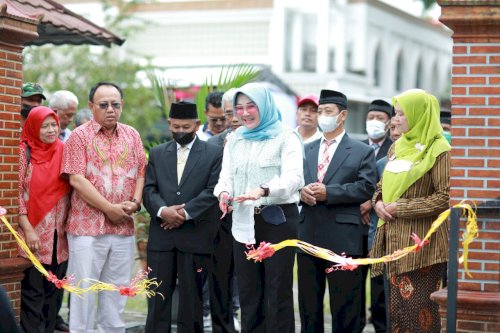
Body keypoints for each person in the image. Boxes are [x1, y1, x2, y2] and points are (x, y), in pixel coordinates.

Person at [214, 82, 304, 333]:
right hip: (243, 222)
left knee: (278, 290)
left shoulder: (287, 137)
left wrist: (263, 189)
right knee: (248, 290)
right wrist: (222, 193)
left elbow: (294, 177)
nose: (244, 113)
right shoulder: (235, 139)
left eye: (251, 106)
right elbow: (226, 177)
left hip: (277, 221)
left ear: (264, 105)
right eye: (239, 108)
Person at [61, 82, 147, 333]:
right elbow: (76, 178)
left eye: (115, 104)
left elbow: (141, 171)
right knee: (84, 292)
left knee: (117, 292)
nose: (110, 109)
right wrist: (109, 208)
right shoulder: (79, 136)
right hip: (87, 229)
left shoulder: (132, 134)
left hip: (122, 228)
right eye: (104, 105)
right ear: (91, 107)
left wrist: (135, 201)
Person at [371, 89, 451, 333]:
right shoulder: (397, 148)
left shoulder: (440, 151)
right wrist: (379, 204)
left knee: (420, 316)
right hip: (392, 244)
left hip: (422, 248)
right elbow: (381, 188)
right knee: (396, 314)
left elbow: (446, 196)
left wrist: (401, 207)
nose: (396, 120)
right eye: (395, 114)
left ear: (419, 115)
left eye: (402, 114)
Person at [298, 89, 377, 333]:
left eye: (327, 112)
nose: (321, 116)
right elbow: (296, 181)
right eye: (319, 111)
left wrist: (329, 193)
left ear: (342, 116)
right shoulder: (307, 149)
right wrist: (302, 192)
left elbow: (366, 187)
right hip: (308, 234)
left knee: (345, 307)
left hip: (343, 237)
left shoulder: (360, 150)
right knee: (309, 306)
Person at [143, 101, 223, 333]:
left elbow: (213, 190)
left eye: (185, 127)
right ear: (169, 124)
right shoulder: (158, 153)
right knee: (157, 298)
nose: (180, 132)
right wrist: (163, 211)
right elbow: (149, 190)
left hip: (195, 237)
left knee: (192, 300)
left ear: (197, 125)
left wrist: (184, 213)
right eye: (175, 127)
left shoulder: (214, 153)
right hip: (162, 237)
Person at [18, 106, 71, 333]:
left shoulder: (64, 150)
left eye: (54, 124)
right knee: (33, 293)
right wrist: (28, 229)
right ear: (33, 127)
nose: (51, 130)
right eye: (44, 126)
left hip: (61, 238)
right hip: (34, 235)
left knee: (54, 294)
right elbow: (16, 194)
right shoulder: (23, 152)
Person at [207, 88, 241, 332]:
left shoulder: (264, 139)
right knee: (220, 278)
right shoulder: (212, 144)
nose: (234, 118)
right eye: (229, 113)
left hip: (253, 218)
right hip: (220, 221)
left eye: (237, 111)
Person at [359, 98, 393, 331]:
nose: (374, 122)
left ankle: (380, 323)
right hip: (356, 225)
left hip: (380, 225)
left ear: (390, 122)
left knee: (380, 284)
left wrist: (371, 203)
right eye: (371, 117)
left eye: (380, 118)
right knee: (354, 282)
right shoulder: (357, 148)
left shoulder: (394, 148)